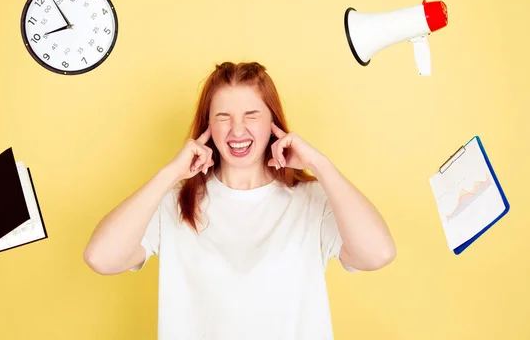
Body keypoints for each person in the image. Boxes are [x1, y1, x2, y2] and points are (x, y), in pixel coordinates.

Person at [83, 61, 396, 340]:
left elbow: (378, 254)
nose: (237, 130)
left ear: (273, 123)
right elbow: (101, 258)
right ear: (207, 127)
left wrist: (320, 166)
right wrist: (170, 173)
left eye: (251, 115)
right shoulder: (176, 203)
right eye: (223, 117)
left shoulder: (311, 201)